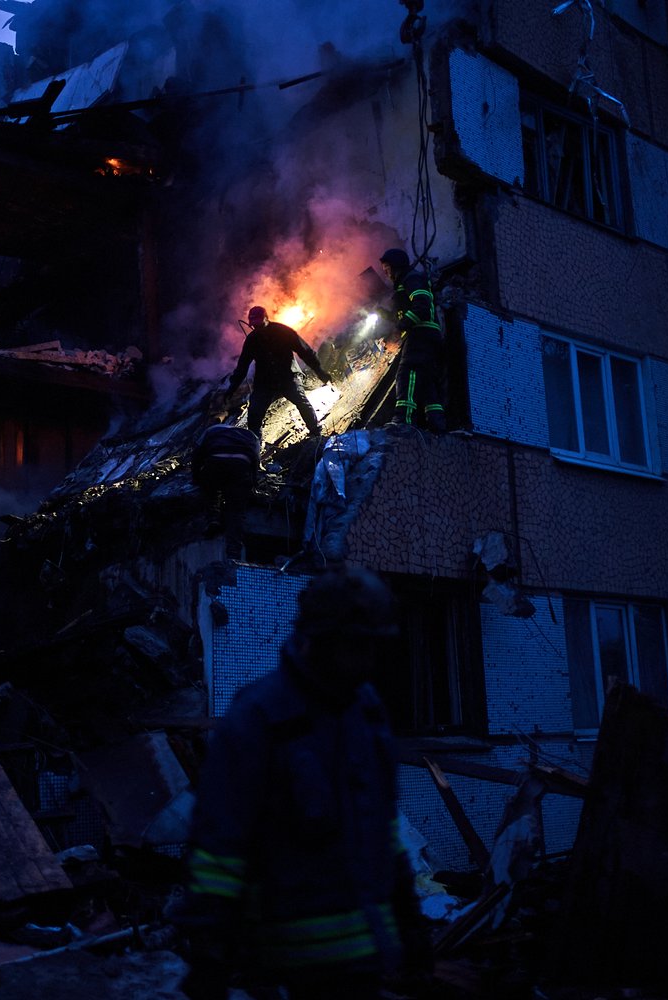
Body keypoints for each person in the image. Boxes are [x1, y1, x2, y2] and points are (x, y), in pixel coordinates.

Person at [175, 565, 430, 1000]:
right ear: (318, 640)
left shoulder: (366, 713)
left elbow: (381, 828)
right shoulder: (258, 719)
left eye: (375, 648)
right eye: (355, 647)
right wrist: (209, 955)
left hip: (367, 966)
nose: (367, 664)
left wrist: (408, 917)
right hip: (288, 974)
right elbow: (218, 853)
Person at [225, 306, 331, 439]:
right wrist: (232, 388)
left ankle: (316, 433)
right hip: (265, 382)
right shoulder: (252, 339)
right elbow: (242, 366)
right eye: (254, 325)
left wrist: (319, 371)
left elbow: (305, 351)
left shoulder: (282, 331)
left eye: (259, 324)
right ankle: (254, 446)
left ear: (266, 318)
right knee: (254, 413)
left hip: (287, 377)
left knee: (302, 402)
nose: (257, 328)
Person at [379, 248, 447, 432]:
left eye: (386, 267)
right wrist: (383, 314)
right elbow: (405, 312)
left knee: (406, 374)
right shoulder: (405, 282)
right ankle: (436, 423)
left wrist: (400, 329)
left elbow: (422, 307)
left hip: (421, 334)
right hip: (426, 336)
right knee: (426, 381)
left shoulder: (412, 279)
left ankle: (403, 420)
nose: (385, 272)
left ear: (396, 266)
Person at [192, 420, 260, 560]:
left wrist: (197, 477)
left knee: (211, 490)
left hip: (216, 461)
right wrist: (253, 484)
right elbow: (255, 461)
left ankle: (213, 518)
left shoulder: (212, 430)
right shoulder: (251, 436)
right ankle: (233, 553)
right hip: (241, 465)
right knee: (236, 511)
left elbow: (197, 455)